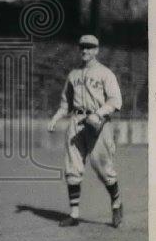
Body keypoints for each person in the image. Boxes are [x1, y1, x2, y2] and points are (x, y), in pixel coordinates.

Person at [47, 34, 123, 228]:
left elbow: (115, 101)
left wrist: (98, 114)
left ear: (97, 50)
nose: (85, 51)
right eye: (82, 47)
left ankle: (116, 202)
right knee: (72, 167)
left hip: (98, 123)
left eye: (90, 47)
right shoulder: (73, 75)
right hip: (76, 121)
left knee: (102, 168)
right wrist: (56, 118)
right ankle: (74, 214)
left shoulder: (106, 73)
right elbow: (65, 103)